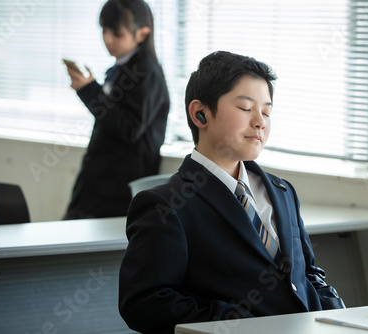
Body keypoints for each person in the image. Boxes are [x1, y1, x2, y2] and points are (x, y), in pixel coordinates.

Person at [118, 51, 345, 334]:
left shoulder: (282, 191)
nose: (260, 122)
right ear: (200, 113)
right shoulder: (165, 205)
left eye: (267, 111)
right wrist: (233, 322)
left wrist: (338, 312)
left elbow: (307, 273)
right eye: (246, 108)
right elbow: (143, 303)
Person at [62, 0, 170, 219]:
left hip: (117, 194)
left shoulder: (146, 73)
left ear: (142, 34)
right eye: (104, 30)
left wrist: (90, 90)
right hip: (97, 187)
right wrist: (91, 90)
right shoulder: (120, 68)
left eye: (117, 33)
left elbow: (128, 129)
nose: (108, 39)